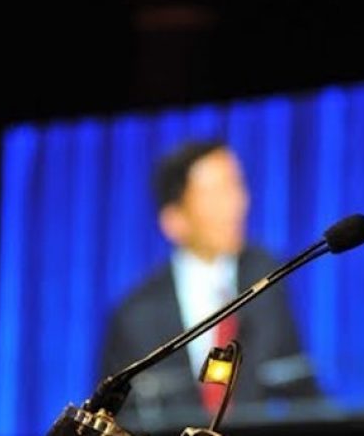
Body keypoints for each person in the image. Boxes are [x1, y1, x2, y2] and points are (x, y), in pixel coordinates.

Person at [100, 140, 318, 433]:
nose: (237, 204)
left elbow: (304, 394)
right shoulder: (135, 315)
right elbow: (114, 420)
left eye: (236, 185)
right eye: (215, 193)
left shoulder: (268, 280)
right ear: (174, 220)